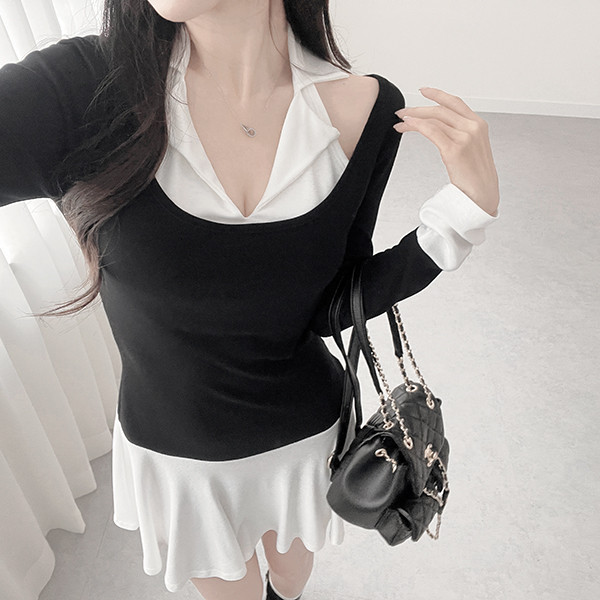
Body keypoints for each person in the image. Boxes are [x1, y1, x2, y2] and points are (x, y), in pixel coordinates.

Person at [0, 1, 500, 599]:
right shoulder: (78, 91)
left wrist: (457, 220)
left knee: (289, 581)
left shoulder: (366, 108)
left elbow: (331, 303)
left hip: (306, 434)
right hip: (180, 451)